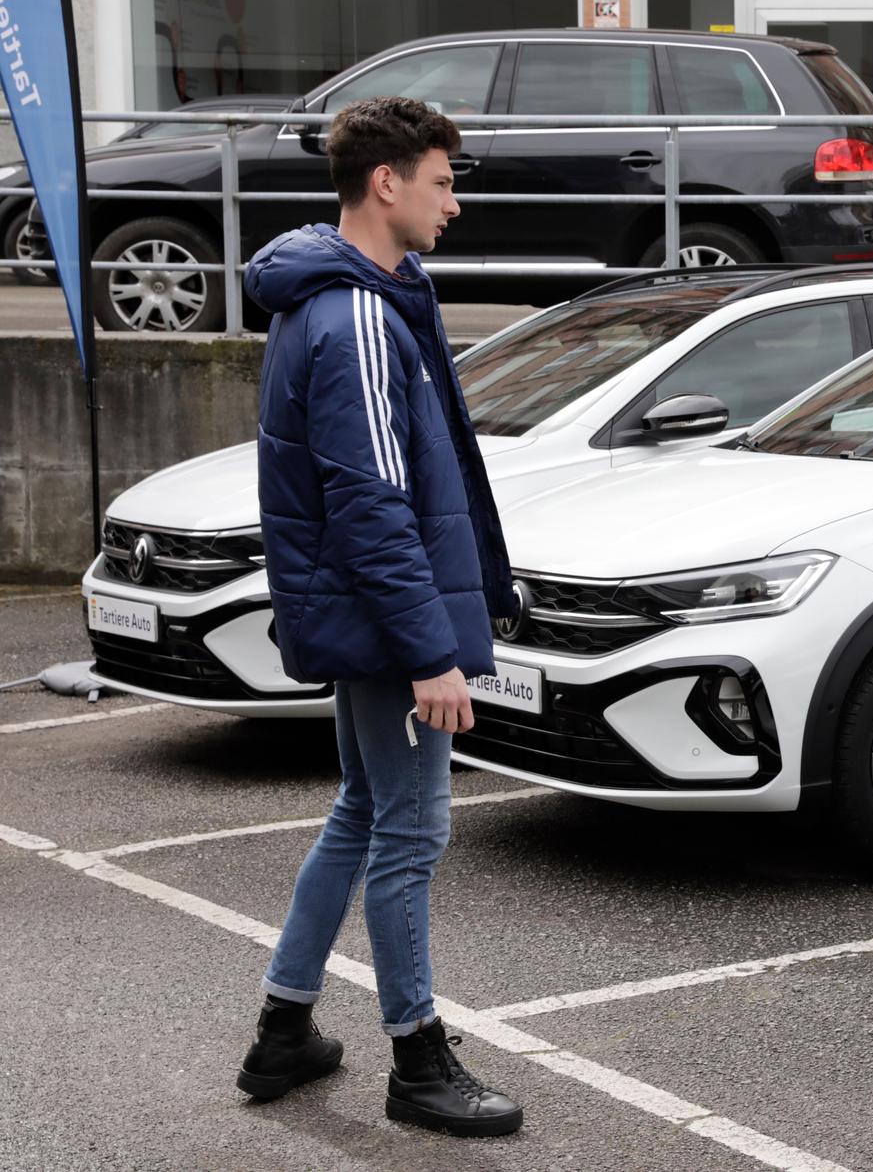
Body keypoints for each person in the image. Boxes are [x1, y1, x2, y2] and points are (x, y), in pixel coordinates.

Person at [232, 95, 524, 1138]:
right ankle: (418, 1061)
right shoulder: (354, 312)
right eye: (442, 182)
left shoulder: (367, 291)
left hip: (363, 617)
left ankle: (284, 1030)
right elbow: (370, 502)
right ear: (387, 183)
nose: (453, 203)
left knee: (363, 812)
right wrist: (429, 653)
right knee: (410, 832)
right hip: (382, 624)